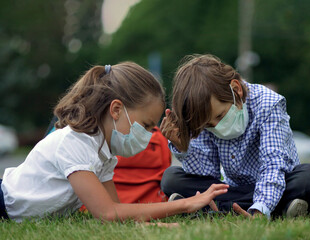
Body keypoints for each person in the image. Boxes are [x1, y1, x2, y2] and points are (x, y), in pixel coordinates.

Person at [0, 62, 229, 222]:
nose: (151, 135)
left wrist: (150, 224)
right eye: (147, 125)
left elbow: (118, 213)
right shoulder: (75, 143)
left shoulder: (105, 152)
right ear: (117, 110)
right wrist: (186, 204)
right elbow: (107, 213)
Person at [160, 54, 310, 219]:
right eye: (209, 125)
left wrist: (260, 209)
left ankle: (215, 208)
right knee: (171, 179)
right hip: (231, 189)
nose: (217, 127)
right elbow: (208, 177)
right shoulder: (201, 117)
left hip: (278, 182)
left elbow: (273, 164)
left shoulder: (268, 104)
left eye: (220, 116)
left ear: (236, 90)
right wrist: (184, 148)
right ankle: (281, 208)